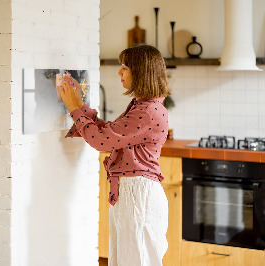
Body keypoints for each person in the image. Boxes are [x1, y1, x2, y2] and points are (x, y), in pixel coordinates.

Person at [57, 44, 170, 266]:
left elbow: (101, 141)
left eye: (125, 67)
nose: (119, 72)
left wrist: (73, 108)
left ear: (141, 71)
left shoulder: (147, 111)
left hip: (138, 195)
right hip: (132, 193)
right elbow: (110, 133)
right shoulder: (143, 106)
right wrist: (79, 104)